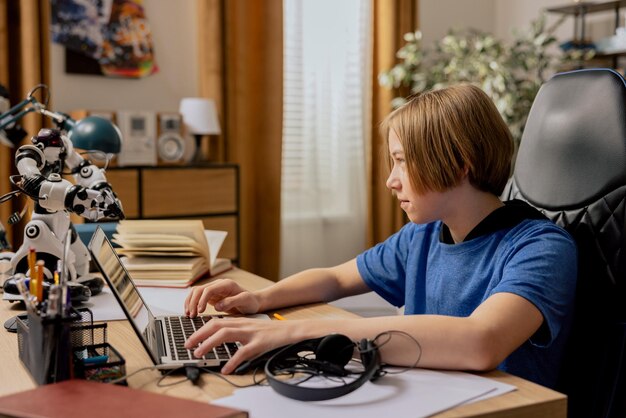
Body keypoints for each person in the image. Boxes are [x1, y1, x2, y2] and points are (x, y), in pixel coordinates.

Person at [184, 84, 577, 389]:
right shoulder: (420, 237)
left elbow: (480, 341)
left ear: (458, 164)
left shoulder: (540, 248)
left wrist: (293, 332)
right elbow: (336, 278)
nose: (391, 181)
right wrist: (260, 299)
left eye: (402, 161)